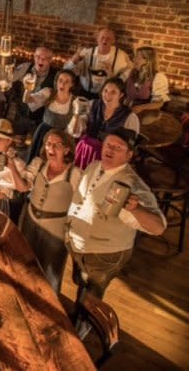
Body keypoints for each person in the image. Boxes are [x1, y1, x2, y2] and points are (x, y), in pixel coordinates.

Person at [66, 127, 166, 302]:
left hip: (103, 255)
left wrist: (136, 209)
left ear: (129, 155)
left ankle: (85, 327)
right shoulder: (93, 166)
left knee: (91, 300)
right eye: (108, 144)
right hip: (78, 247)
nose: (110, 150)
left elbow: (158, 227)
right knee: (80, 286)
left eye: (118, 148)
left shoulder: (133, 184)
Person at [17, 129, 81, 293]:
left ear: (67, 149)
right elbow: (23, 187)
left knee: (51, 271)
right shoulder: (38, 164)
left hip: (56, 229)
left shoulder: (74, 174)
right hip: (30, 221)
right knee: (24, 262)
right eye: (48, 144)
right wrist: (11, 166)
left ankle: (49, 307)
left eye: (57, 145)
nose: (51, 149)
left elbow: (82, 205)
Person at [69, 77, 139, 169]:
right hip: (85, 151)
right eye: (105, 90)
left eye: (113, 92)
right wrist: (76, 114)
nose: (107, 95)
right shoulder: (92, 105)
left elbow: (128, 145)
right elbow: (75, 132)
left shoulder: (129, 116)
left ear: (121, 95)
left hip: (108, 155)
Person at [23, 69, 79, 162]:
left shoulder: (75, 101)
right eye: (60, 80)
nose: (62, 84)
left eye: (66, 81)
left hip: (61, 138)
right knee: (37, 160)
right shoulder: (49, 93)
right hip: (44, 134)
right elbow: (26, 100)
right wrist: (27, 89)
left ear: (71, 84)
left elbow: (74, 129)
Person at [64, 27, 132, 99]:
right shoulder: (87, 53)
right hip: (85, 93)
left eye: (108, 38)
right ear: (97, 38)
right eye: (102, 37)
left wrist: (113, 77)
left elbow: (129, 71)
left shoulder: (121, 56)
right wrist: (74, 60)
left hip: (107, 97)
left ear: (113, 41)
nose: (105, 40)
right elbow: (66, 71)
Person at [8, 47, 58, 137]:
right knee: (17, 141)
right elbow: (8, 79)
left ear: (50, 60)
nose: (40, 60)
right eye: (38, 56)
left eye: (45, 58)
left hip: (39, 119)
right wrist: (9, 69)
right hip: (20, 114)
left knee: (35, 145)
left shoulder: (55, 76)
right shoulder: (25, 67)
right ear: (34, 57)